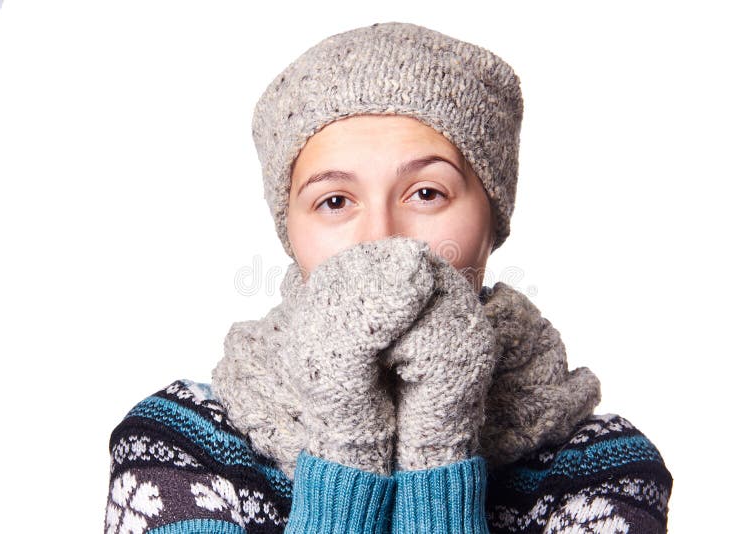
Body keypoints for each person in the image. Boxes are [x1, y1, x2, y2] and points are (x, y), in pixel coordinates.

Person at [103, 21, 673, 534]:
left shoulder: (604, 468)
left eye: (427, 193)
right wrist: (346, 437)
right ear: (291, 234)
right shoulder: (177, 443)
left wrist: (442, 441)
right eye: (334, 201)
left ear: (491, 220)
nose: (380, 238)